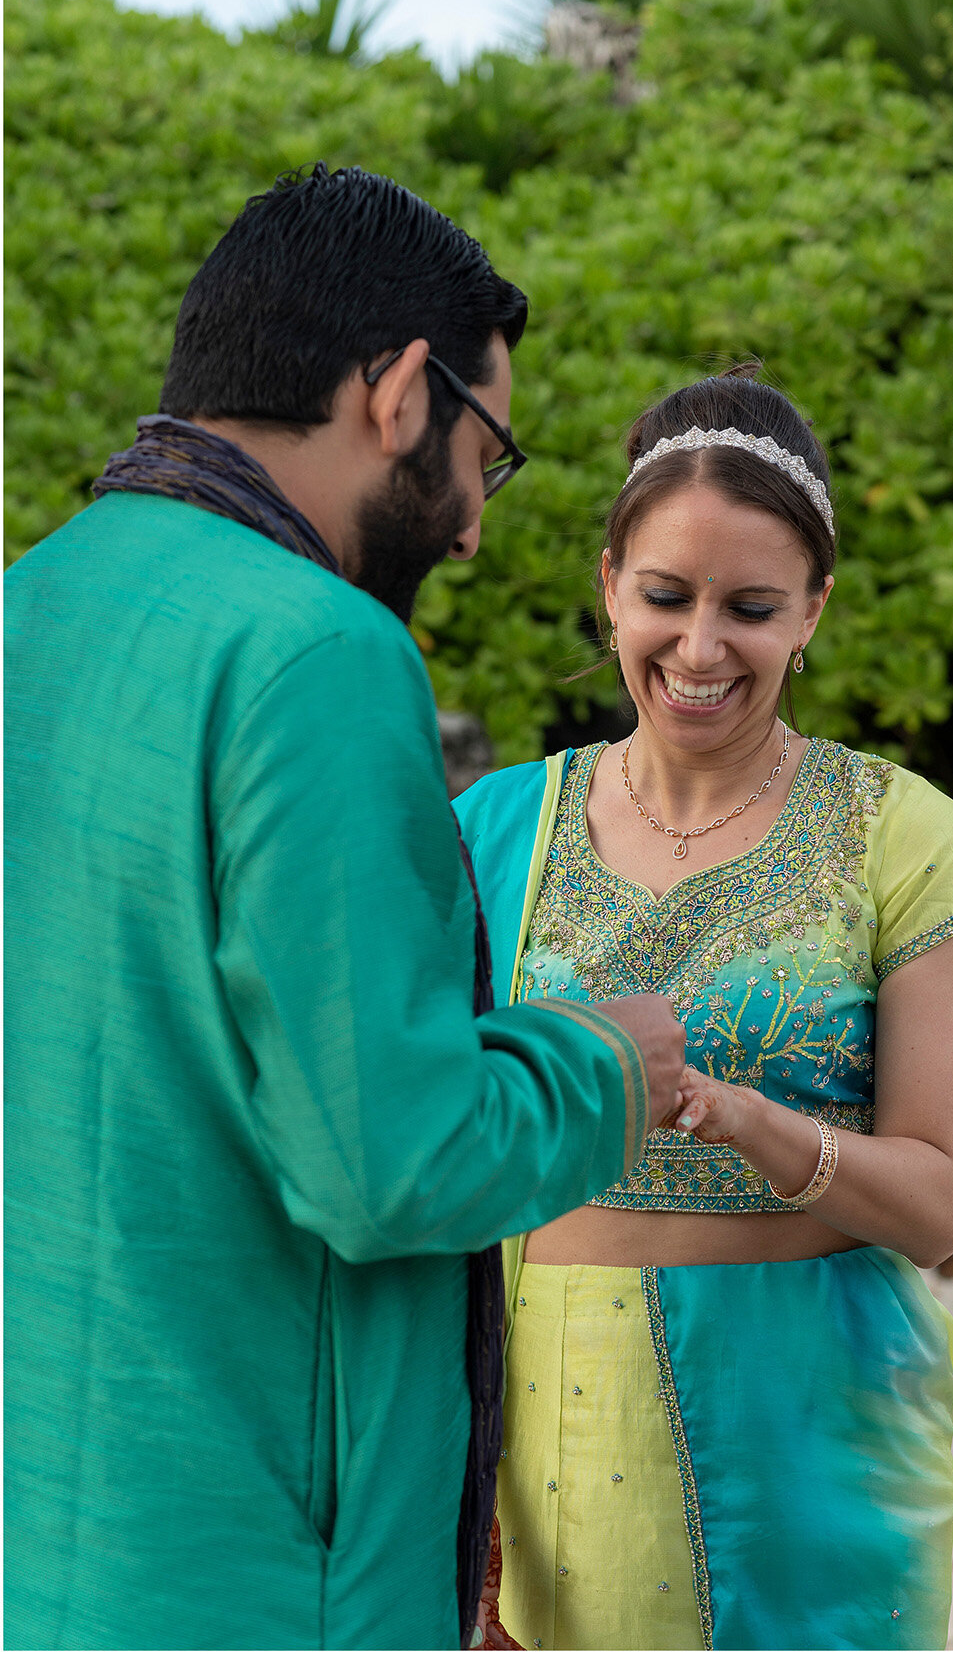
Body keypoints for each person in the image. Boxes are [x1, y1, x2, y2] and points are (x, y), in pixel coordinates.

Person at [3, 164, 691, 1650]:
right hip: (263, 1562)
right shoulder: (320, 650)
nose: (469, 530)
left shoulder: (34, 598)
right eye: (485, 455)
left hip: (59, 1522)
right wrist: (604, 1064)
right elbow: (390, 1163)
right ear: (397, 393)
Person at [454, 364, 953, 1651]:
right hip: (539, 1447)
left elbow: (937, 1205)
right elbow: (434, 1159)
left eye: (750, 607)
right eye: (665, 597)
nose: (700, 648)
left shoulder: (903, 838)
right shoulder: (495, 829)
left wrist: (760, 1127)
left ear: (812, 608)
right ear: (607, 588)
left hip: (805, 1452)